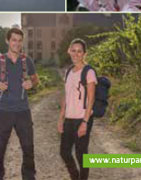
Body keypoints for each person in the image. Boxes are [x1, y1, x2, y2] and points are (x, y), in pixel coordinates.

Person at [0, 27, 39, 180]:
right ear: (7, 41)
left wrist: (31, 83)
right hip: (4, 111)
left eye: (20, 41)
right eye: (14, 40)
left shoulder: (27, 61)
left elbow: (36, 79)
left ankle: (29, 177)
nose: (17, 43)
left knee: (28, 148)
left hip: (23, 111)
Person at [58, 39, 97, 180]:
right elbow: (66, 97)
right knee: (64, 152)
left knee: (81, 154)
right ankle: (75, 176)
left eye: (79, 51)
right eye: (73, 50)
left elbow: (91, 99)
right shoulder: (68, 72)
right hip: (69, 119)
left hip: (82, 118)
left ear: (84, 54)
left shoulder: (89, 72)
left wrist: (85, 122)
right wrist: (61, 119)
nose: (76, 54)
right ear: (69, 51)